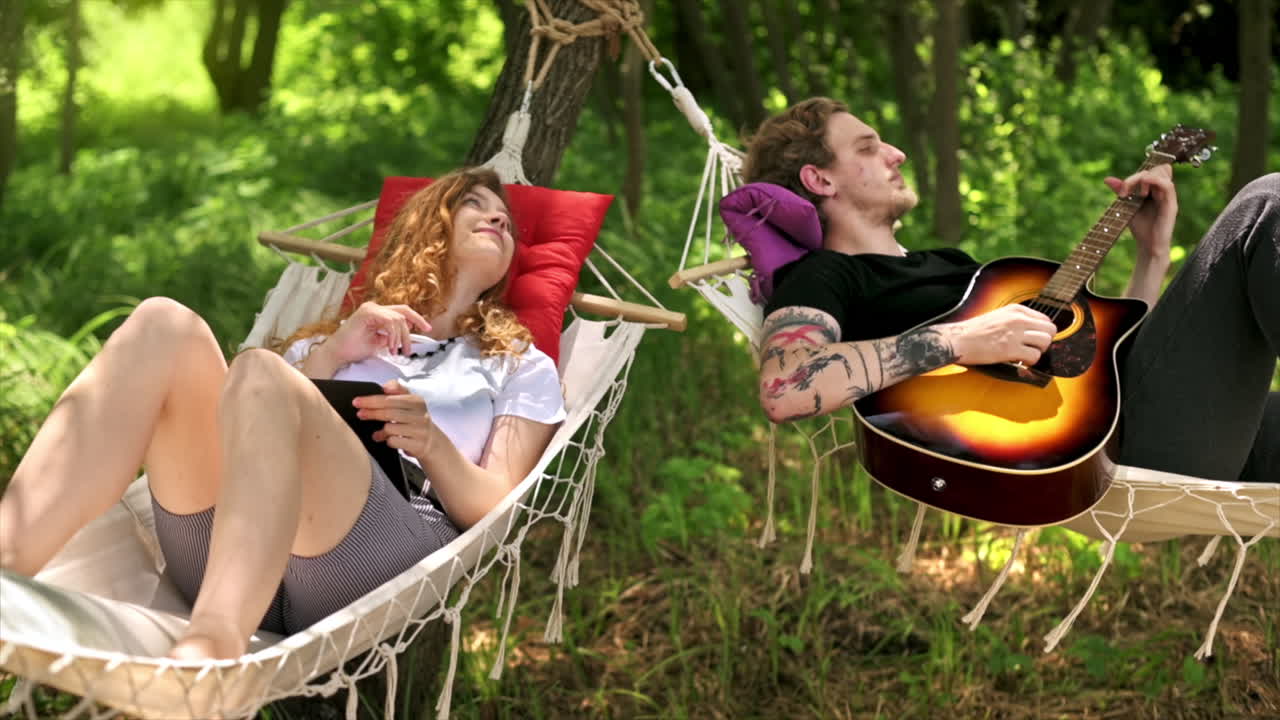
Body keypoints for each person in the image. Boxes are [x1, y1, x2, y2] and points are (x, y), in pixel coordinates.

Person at [0, 167, 567, 660]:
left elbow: (499, 507)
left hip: (373, 559)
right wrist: (336, 352)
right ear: (427, 226)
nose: (498, 221)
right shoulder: (337, 337)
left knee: (261, 373)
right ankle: (7, 569)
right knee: (163, 323)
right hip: (227, 551)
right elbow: (255, 424)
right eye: (475, 203)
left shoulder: (519, 365)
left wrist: (431, 443)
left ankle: (211, 653)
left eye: (508, 223)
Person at [746, 97, 1278, 483]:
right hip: (1111, 449)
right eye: (868, 147)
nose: (897, 153)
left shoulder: (954, 266)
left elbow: (1111, 358)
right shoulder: (827, 274)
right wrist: (959, 341)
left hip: (1164, 420)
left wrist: (1152, 254)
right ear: (820, 181)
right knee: (1266, 201)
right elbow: (783, 385)